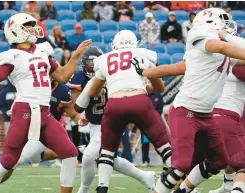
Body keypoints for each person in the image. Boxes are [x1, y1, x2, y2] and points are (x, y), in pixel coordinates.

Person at [0, 12, 91, 193]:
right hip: (24, 110)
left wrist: (76, 56)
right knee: (9, 161)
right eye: (28, 26)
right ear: (16, 31)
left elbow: (63, 76)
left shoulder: (43, 50)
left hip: (45, 112)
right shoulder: (12, 56)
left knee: (70, 153)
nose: (33, 29)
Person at [136, 8, 245, 193]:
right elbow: (220, 46)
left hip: (207, 115)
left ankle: (182, 190)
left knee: (219, 161)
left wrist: (146, 72)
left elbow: (177, 68)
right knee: (181, 166)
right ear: (211, 22)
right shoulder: (202, 36)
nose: (227, 26)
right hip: (186, 111)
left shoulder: (211, 53)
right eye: (223, 21)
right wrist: (226, 37)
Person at [0, 78, 88, 193]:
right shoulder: (31, 85)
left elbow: (73, 113)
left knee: (14, 162)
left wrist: (82, 123)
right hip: (24, 128)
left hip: (44, 132)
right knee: (19, 160)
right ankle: (79, 150)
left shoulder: (62, 90)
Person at [87, 30, 171, 193]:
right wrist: (145, 86)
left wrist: (110, 85)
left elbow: (92, 92)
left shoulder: (105, 59)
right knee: (163, 143)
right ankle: (176, 178)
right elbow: (160, 88)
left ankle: (102, 187)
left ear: (115, 44)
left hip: (114, 104)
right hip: (139, 101)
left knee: (107, 150)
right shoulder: (144, 54)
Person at [66, 46, 156, 193]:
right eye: (89, 64)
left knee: (89, 157)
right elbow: (77, 105)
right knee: (107, 158)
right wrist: (84, 105)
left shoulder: (113, 75)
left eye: (95, 64)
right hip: (95, 125)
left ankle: (83, 190)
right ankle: (144, 177)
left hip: (113, 122)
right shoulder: (79, 78)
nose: (92, 67)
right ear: (84, 64)